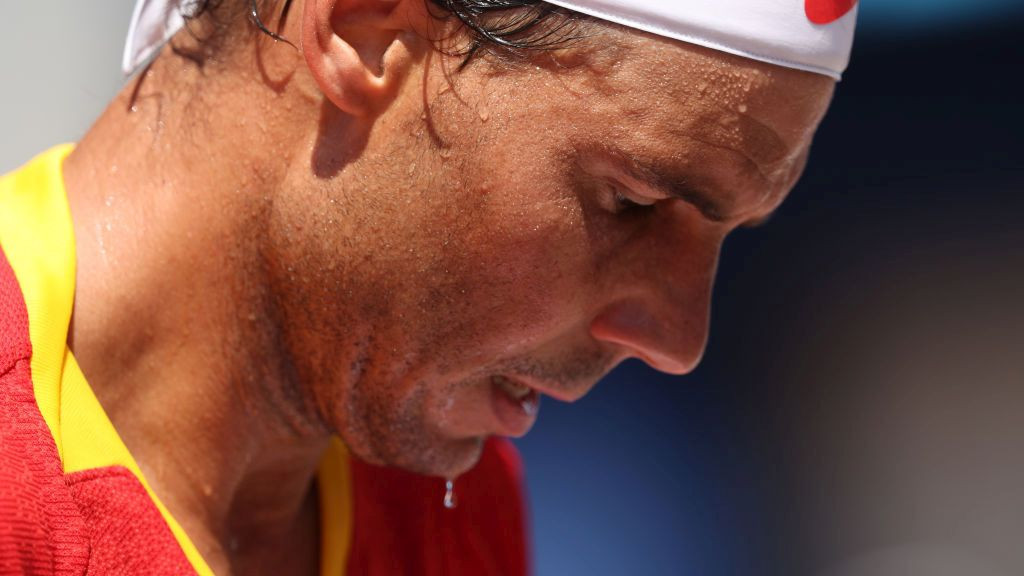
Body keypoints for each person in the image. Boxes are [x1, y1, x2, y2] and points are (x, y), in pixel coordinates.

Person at [0, 0, 856, 573]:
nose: (679, 341)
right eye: (632, 203)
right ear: (364, 33)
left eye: (726, 238)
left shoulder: (453, 513)